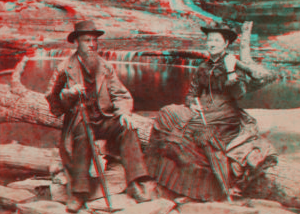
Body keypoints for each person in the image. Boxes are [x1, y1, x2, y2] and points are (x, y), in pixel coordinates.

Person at [146, 22, 277, 202]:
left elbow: (239, 94)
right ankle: (163, 176)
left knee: (195, 133)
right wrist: (192, 104)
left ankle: (212, 188)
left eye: (217, 40)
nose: (212, 43)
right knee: (167, 113)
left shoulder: (233, 64)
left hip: (226, 115)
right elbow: (191, 93)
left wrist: (231, 71)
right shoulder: (203, 67)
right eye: (209, 39)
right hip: (203, 110)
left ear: (225, 44)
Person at [46, 20, 157, 213]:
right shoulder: (65, 68)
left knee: (128, 128)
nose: (92, 44)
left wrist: (123, 113)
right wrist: (69, 94)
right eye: (87, 40)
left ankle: (134, 182)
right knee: (82, 134)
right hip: (79, 121)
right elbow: (54, 104)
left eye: (95, 40)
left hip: (103, 119)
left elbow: (120, 94)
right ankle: (79, 193)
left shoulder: (104, 66)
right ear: (77, 43)